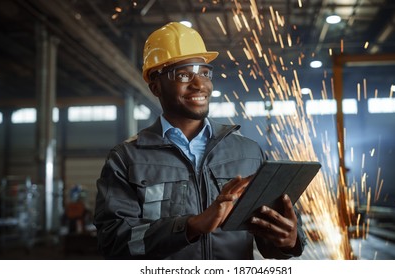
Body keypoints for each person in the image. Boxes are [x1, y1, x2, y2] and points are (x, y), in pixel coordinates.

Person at [93, 22, 306, 260]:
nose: (200, 84)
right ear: (155, 86)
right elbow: (112, 243)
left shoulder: (248, 153)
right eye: (184, 74)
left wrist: (288, 241)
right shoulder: (127, 158)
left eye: (204, 73)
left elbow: (270, 238)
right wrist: (191, 226)